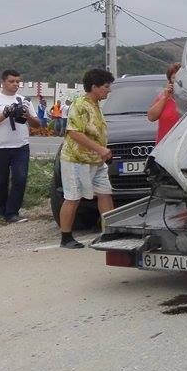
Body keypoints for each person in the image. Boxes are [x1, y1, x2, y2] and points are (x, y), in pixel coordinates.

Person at [58, 68, 115, 249]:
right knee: (73, 197)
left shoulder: (96, 104)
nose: (109, 90)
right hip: (77, 160)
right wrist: (100, 149)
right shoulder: (80, 105)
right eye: (106, 86)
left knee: (105, 193)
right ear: (94, 87)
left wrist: (101, 151)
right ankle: (66, 237)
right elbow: (74, 133)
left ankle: (110, 232)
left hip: (96, 160)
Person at [0, 69, 42, 223]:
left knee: (20, 178)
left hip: (20, 146)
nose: (15, 84)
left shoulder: (24, 100)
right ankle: (1, 210)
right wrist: (5, 113)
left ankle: (12, 212)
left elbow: (37, 125)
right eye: (11, 81)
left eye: (17, 81)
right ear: (3, 82)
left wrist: (26, 115)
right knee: (0, 180)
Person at [147, 63, 182, 142]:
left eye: (179, 78)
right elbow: (151, 117)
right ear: (169, 80)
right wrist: (165, 97)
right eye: (174, 78)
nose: (177, 81)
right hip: (164, 145)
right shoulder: (163, 97)